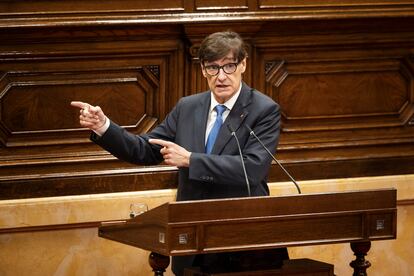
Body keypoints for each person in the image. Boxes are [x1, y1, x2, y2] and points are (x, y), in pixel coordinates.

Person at [71, 31, 288, 275]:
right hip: (192, 239)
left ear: (243, 64)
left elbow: (253, 169)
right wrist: (103, 127)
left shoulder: (263, 109)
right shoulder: (188, 107)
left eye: (229, 66)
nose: (221, 76)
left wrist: (191, 160)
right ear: (203, 70)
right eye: (213, 68)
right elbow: (145, 149)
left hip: (242, 242)